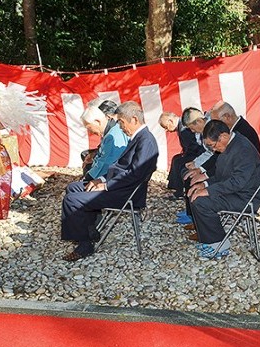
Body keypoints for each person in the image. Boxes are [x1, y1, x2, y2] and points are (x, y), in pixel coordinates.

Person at [61, 101, 159, 261]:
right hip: (120, 186)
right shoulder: (139, 138)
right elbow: (121, 168)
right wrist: (100, 179)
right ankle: (89, 231)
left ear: (134, 119)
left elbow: (134, 175)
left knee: (72, 200)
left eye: (121, 122)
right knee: (73, 188)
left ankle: (85, 245)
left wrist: (105, 185)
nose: (120, 126)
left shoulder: (145, 141)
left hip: (126, 193)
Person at [188, 120, 260, 258]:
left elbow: (237, 182)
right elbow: (221, 175)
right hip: (236, 192)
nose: (213, 149)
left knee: (201, 202)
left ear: (223, 136)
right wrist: (204, 185)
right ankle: (209, 241)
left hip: (246, 198)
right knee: (195, 194)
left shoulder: (243, 150)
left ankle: (219, 246)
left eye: (213, 145)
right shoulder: (229, 145)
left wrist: (208, 191)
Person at [159, 111, 204, 200]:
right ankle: (175, 187)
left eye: (166, 127)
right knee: (176, 158)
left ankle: (178, 190)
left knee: (178, 162)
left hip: (198, 154)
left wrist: (185, 155)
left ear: (170, 121)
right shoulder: (182, 127)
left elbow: (193, 146)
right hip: (195, 152)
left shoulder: (184, 129)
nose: (167, 130)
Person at [81, 99, 128, 183]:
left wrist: (87, 177)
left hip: (114, 179)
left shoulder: (113, 135)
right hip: (112, 174)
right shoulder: (112, 130)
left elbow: (105, 164)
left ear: (98, 121)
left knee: (73, 188)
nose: (90, 132)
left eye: (89, 128)